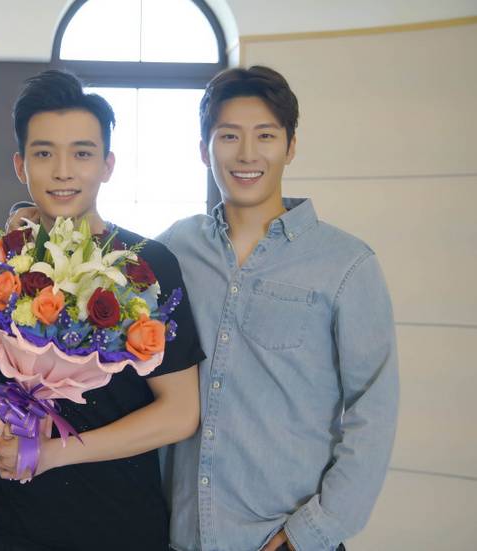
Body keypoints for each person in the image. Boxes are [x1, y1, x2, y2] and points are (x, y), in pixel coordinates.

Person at [157, 66, 399, 551]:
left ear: (290, 147)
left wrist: (315, 531)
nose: (247, 154)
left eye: (265, 135)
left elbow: (375, 408)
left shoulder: (347, 264)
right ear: (204, 149)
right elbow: (107, 282)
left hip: (284, 539)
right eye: (229, 136)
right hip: (181, 537)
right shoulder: (174, 249)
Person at [0, 70, 205, 551]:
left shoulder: (146, 265)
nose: (63, 171)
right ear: (21, 165)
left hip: (119, 523)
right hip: (14, 524)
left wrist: (53, 453)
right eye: (44, 153)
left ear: (107, 164)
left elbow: (181, 413)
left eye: (82, 153)